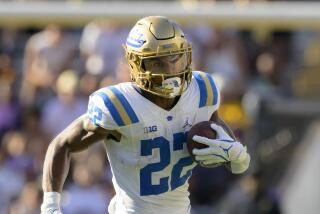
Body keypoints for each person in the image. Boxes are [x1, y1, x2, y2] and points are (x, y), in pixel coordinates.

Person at [41, 16, 250, 214]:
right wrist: (50, 206)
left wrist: (238, 156)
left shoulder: (201, 92)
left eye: (176, 59)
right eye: (158, 62)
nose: (170, 71)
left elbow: (237, 161)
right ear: (135, 64)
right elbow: (62, 144)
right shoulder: (119, 105)